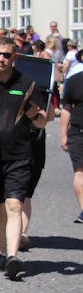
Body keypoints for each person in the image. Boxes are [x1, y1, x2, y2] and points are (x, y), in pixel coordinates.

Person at [0, 37, 48, 279]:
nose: (1, 59)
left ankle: (13, 256)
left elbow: (44, 120)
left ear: (14, 58)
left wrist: (36, 115)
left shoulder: (27, 84)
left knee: (14, 204)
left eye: (6, 55)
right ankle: (1, 253)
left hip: (20, 155)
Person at [60, 64, 83, 223]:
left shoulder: (73, 79)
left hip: (77, 132)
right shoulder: (75, 80)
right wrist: (63, 135)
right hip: (78, 132)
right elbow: (66, 108)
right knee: (80, 172)